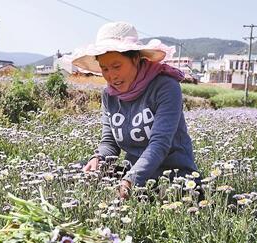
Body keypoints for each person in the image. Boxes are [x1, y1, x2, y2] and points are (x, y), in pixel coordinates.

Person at [71, 22, 200, 199]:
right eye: (104, 68)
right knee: (75, 173)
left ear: (135, 59)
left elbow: (160, 144)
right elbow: (110, 143)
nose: (111, 75)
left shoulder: (165, 87)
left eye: (117, 66)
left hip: (172, 176)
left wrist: (131, 179)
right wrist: (98, 159)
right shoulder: (109, 95)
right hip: (131, 173)